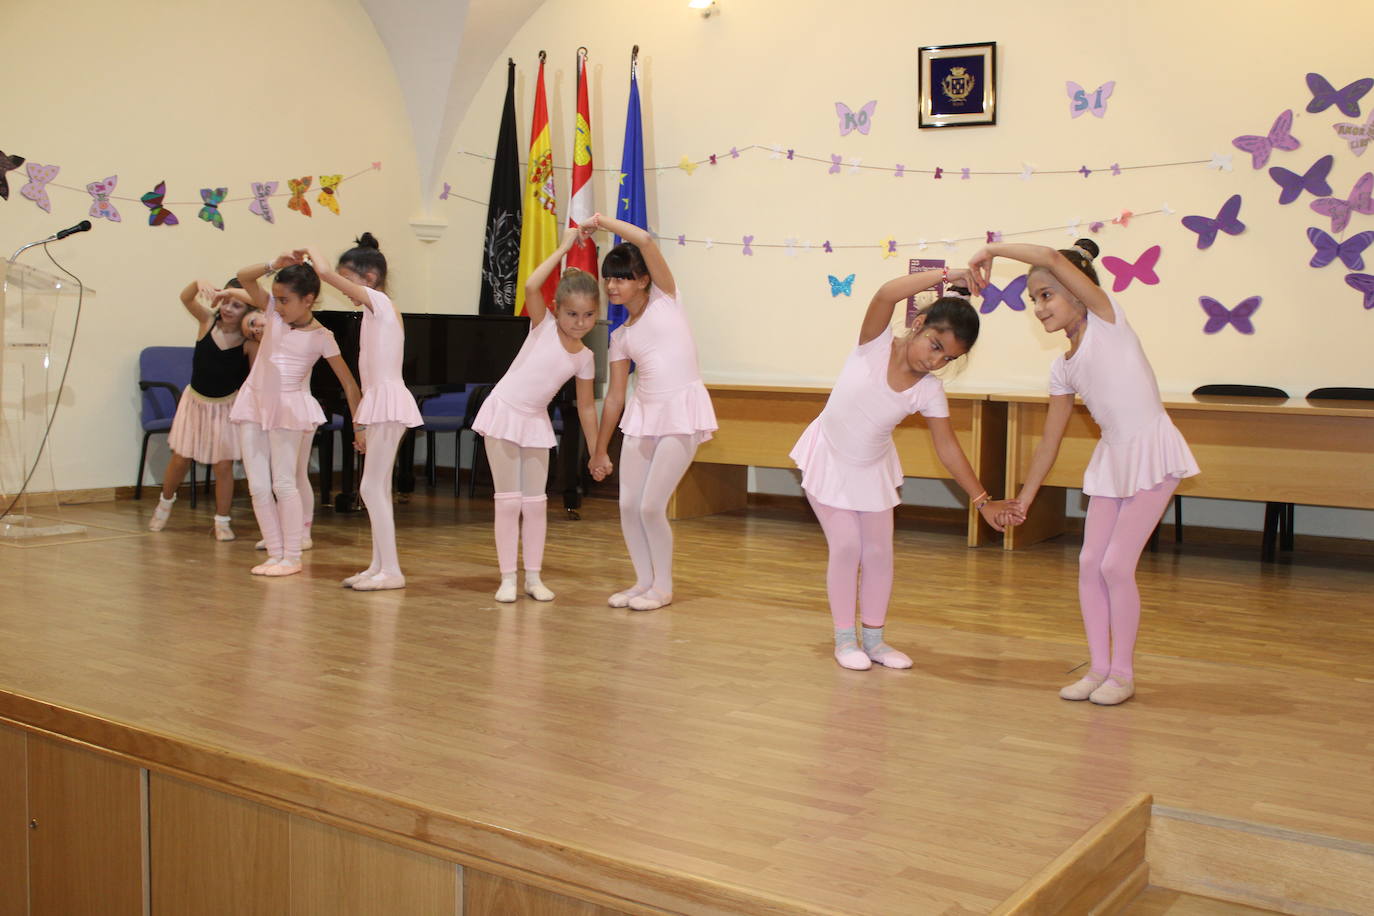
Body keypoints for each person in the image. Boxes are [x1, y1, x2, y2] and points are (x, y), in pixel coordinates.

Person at [967, 240, 1199, 705]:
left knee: (1115, 565)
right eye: (1033, 300)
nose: (1038, 308)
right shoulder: (1062, 368)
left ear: (1079, 291)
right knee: (1090, 564)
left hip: (1152, 453)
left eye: (1047, 295)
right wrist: (1025, 499)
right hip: (1113, 460)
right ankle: (1098, 669)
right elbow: (1049, 441)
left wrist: (992, 248)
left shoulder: (1110, 322)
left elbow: (1053, 258)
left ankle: (1123, 674)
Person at [792, 267, 1020, 670]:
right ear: (918, 324)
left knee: (879, 554)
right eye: (934, 346)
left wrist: (982, 500)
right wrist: (948, 273)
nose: (936, 361)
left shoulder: (928, 390)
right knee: (847, 546)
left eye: (948, 358)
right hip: (828, 457)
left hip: (872, 468)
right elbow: (885, 294)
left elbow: (947, 447)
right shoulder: (873, 345)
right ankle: (846, 640)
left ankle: (876, 642)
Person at [587, 213, 718, 611]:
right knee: (628, 504)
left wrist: (600, 222)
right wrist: (598, 449)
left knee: (650, 506)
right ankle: (643, 581)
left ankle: (663, 586)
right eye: (609, 278)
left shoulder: (667, 298)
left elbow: (643, 239)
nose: (612, 285)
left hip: (681, 413)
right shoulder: (620, 335)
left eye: (621, 277)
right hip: (644, 417)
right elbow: (614, 397)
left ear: (643, 279)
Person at [472, 226, 601, 602]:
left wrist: (596, 451)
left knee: (537, 502)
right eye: (572, 313)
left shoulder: (586, 358)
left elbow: (587, 407)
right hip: (504, 412)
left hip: (535, 421)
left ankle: (534, 577)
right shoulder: (542, 326)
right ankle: (507, 577)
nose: (580, 321)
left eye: (588, 315)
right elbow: (531, 285)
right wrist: (563, 247)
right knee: (509, 500)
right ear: (557, 310)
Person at [229, 255, 362, 577]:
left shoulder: (321, 337)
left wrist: (360, 429)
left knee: (284, 482)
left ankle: (292, 555)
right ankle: (275, 553)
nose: (279, 305)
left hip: (288, 408)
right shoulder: (273, 314)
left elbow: (349, 384)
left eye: (286, 299)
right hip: (254, 404)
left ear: (309, 300)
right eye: (276, 298)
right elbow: (243, 277)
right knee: (258, 487)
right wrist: (272, 263)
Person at [303, 234, 422, 591]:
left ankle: (392, 571)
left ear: (368, 279)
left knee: (371, 488)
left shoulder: (381, 303)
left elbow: (323, 272)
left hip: (389, 401)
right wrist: (363, 423)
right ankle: (379, 565)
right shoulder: (373, 312)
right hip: (379, 403)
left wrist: (308, 248)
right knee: (375, 488)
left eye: (348, 280)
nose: (344, 290)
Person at [148, 277, 254, 540]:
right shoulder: (207, 322)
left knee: (223, 465)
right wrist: (198, 283)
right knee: (181, 458)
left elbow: (253, 378)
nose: (229, 309)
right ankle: (165, 502)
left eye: (238, 306)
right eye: (226, 303)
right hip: (195, 403)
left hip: (225, 407)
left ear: (249, 312)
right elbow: (185, 298)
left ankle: (222, 520)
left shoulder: (249, 342)